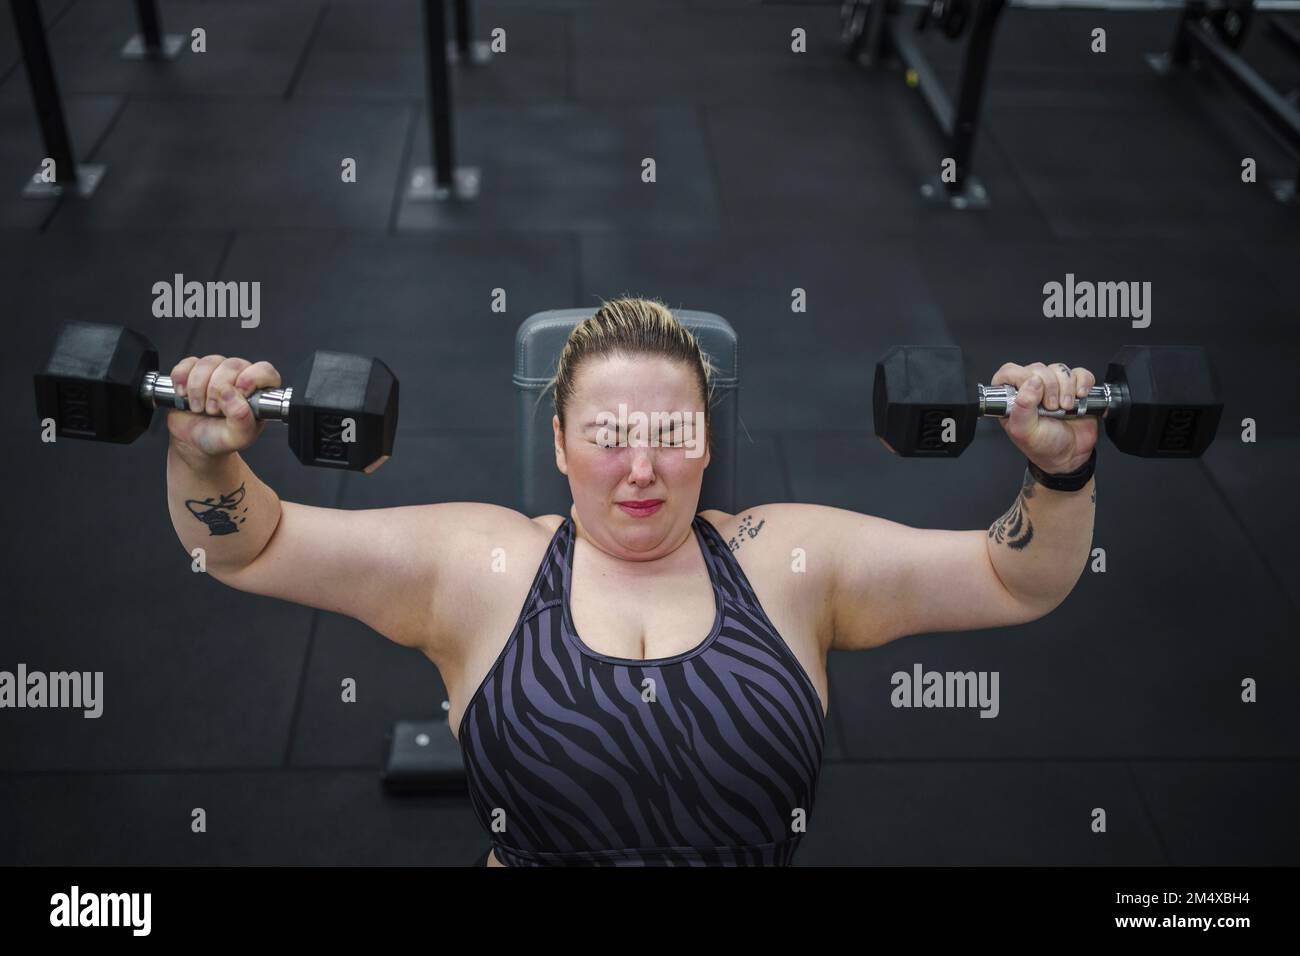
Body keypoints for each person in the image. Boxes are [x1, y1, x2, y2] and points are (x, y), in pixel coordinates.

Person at [165, 297, 1097, 867]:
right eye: (608, 437)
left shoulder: (790, 562)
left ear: (707, 442)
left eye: (672, 434)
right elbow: (250, 546)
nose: (641, 470)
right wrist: (205, 454)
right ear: (560, 445)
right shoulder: (480, 568)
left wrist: (1060, 472)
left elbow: (1012, 578)